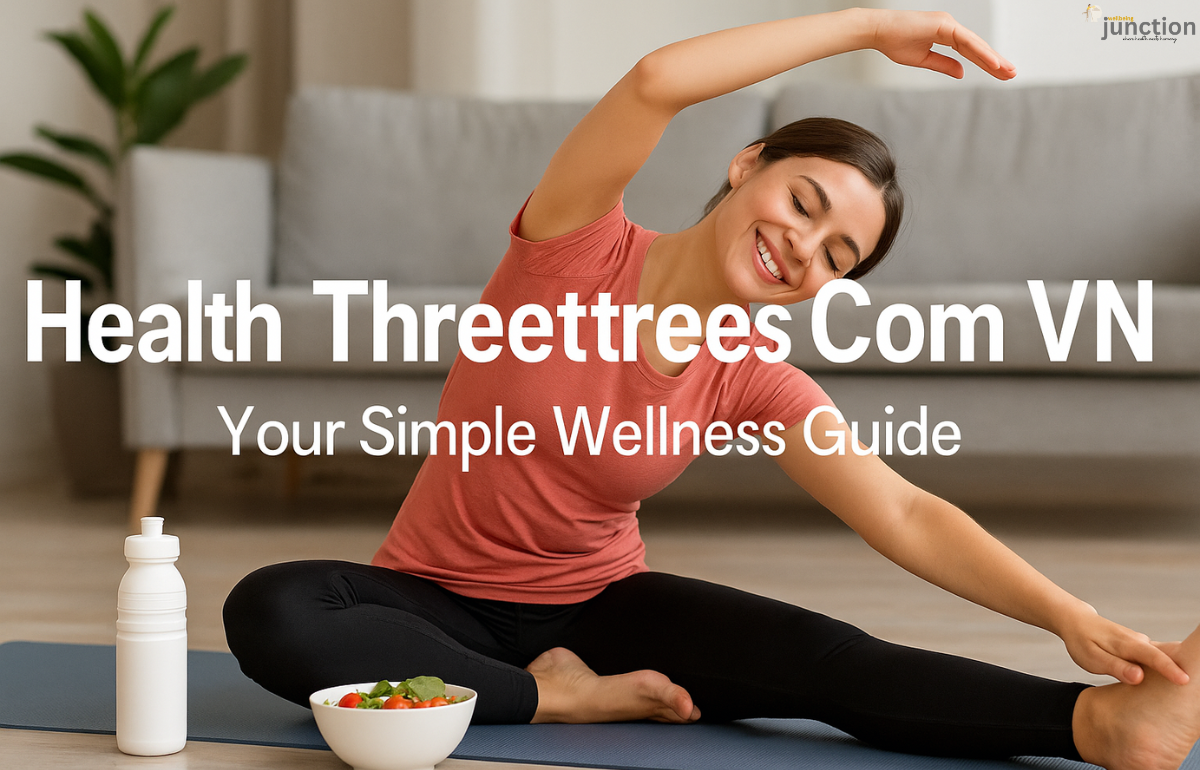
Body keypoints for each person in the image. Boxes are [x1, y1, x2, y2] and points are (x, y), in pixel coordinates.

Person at [223, 8, 1200, 769]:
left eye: (837, 254)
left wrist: (1068, 615)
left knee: (823, 657)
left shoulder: (750, 376)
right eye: (802, 202)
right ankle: (548, 695)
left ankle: (1101, 723)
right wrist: (867, 26)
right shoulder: (572, 245)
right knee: (272, 608)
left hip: (601, 608)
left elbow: (901, 508)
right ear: (746, 166)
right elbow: (656, 82)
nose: (801, 246)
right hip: (426, 599)